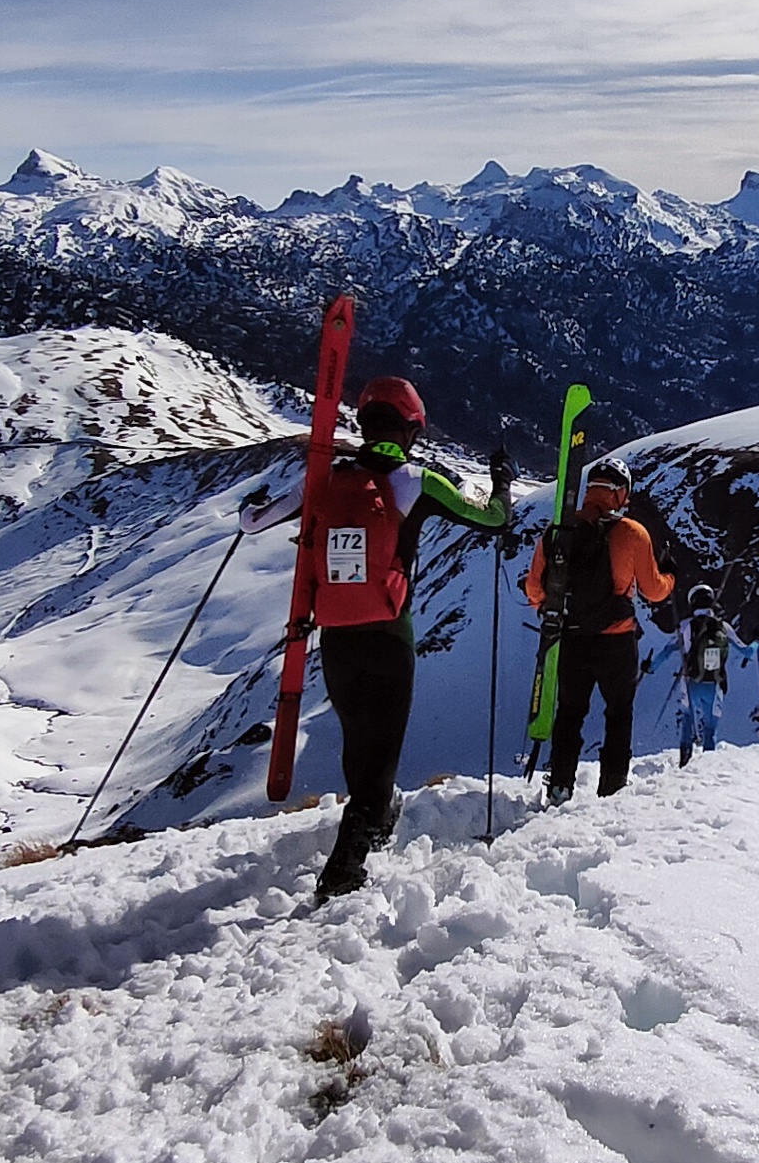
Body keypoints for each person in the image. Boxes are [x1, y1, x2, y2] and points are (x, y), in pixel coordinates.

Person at [240, 376, 512, 898]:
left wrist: (248, 502)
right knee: (383, 752)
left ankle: (376, 818)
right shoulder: (416, 482)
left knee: (359, 743)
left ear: (363, 425)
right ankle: (345, 866)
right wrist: (501, 478)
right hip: (389, 635)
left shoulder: (324, 480)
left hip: (337, 637)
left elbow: (253, 522)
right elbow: (495, 520)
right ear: (412, 430)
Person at [522, 457, 674, 803]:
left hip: (572, 639)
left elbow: (535, 590)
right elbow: (654, 590)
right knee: (619, 712)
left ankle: (560, 785)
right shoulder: (632, 534)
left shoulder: (559, 531)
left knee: (570, 712)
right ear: (621, 492)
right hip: (617, 641)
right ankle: (613, 786)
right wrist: (670, 575)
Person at [650, 583, 757, 765]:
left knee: (687, 720)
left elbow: (667, 651)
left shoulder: (685, 626)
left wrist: (649, 667)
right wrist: (757, 641)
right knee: (710, 730)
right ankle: (708, 768)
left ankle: (684, 762)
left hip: (690, 683)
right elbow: (748, 652)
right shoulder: (724, 627)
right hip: (715, 684)